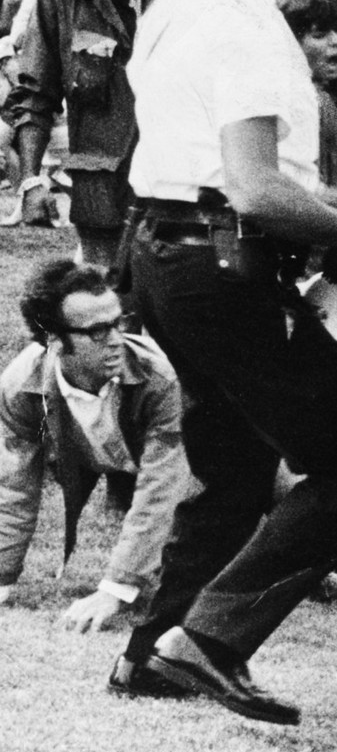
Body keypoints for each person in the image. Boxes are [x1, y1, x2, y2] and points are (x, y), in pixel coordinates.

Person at [116, 0, 337, 723]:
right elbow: (250, 182)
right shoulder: (243, 18)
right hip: (219, 255)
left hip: (164, 249)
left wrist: (326, 205)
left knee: (234, 464)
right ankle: (207, 642)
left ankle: (156, 652)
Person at [3, 0, 187, 266]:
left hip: (178, 180)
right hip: (104, 190)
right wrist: (32, 180)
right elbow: (35, 96)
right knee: (110, 306)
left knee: (175, 308)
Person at [0, 259, 187, 641]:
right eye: (98, 331)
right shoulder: (21, 387)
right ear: (53, 340)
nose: (117, 339)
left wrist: (115, 589)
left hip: (229, 455)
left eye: (119, 322)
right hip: (130, 467)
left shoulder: (160, 377)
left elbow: (163, 487)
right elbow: (11, 489)